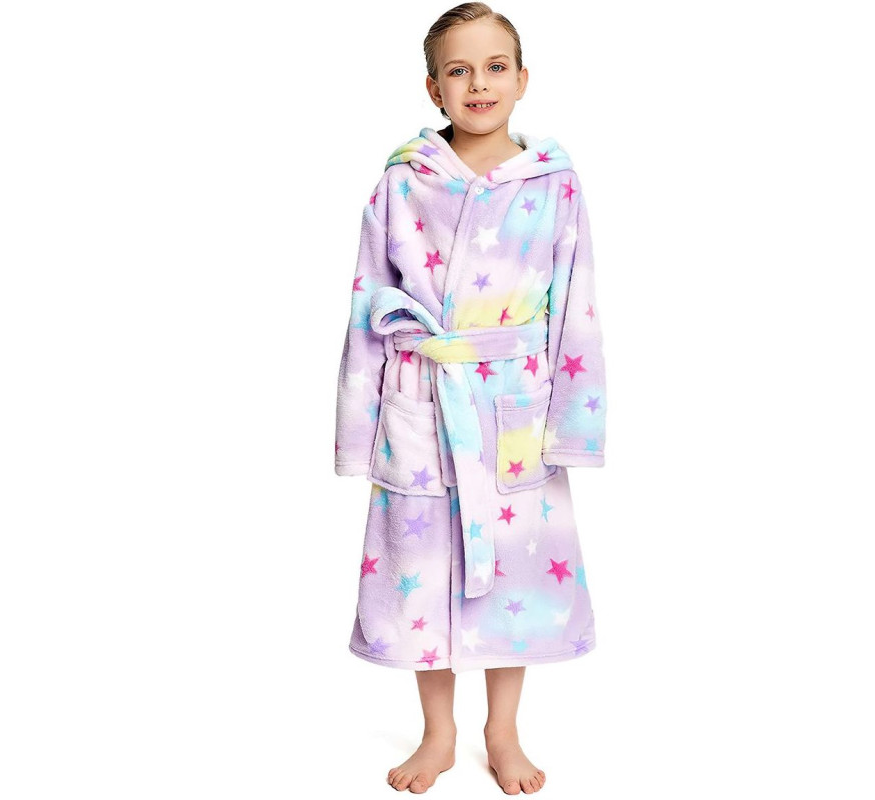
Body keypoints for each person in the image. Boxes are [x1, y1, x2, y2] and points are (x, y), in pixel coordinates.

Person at [332, 2, 607, 794]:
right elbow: (366, 305)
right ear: (434, 88)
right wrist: (359, 429)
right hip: (423, 399)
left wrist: (573, 425)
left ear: (522, 80)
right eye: (459, 70)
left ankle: (502, 731)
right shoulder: (400, 180)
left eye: (494, 67)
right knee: (422, 574)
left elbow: (577, 306)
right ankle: (439, 733)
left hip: (511, 404)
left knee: (512, 575)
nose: (478, 83)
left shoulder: (553, 184)